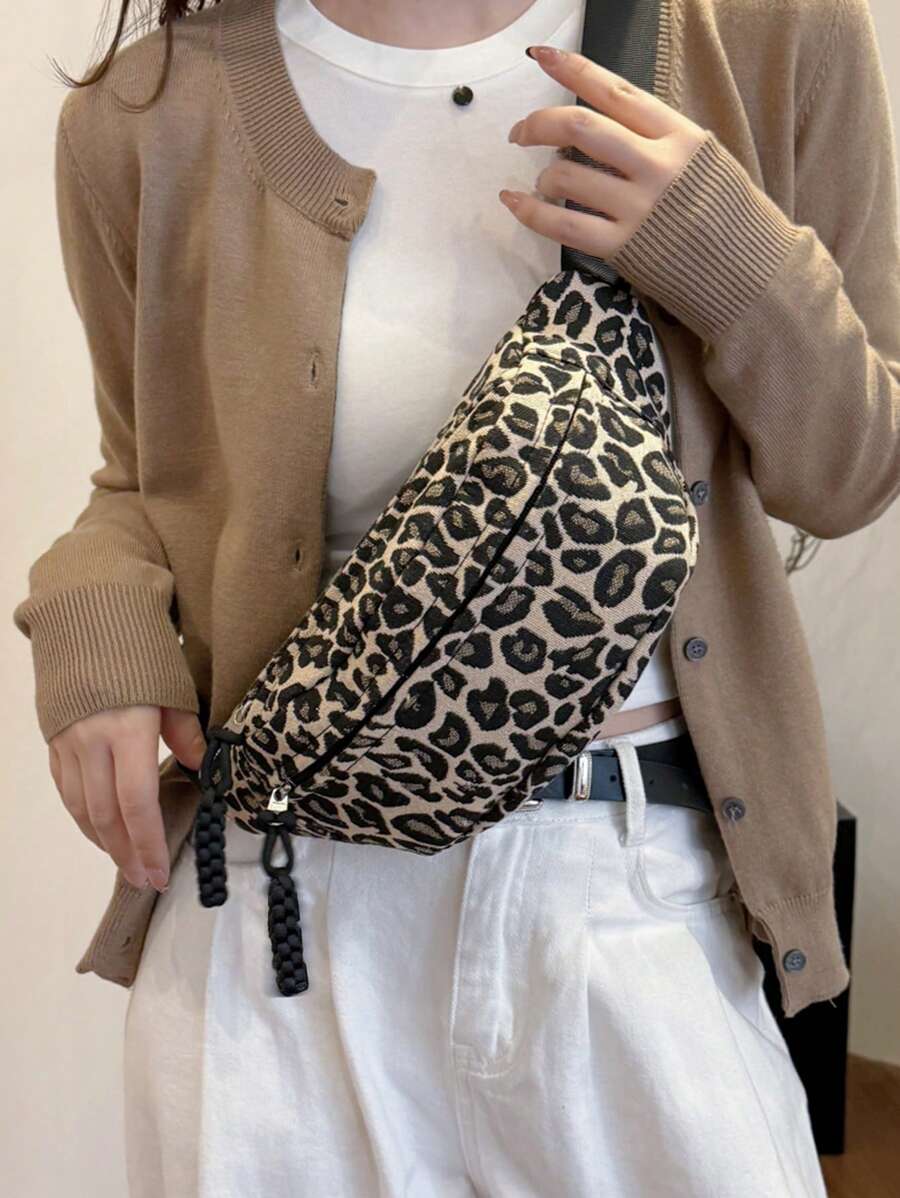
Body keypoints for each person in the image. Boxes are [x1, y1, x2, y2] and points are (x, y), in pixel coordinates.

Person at [13, 0, 899, 1194]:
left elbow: (851, 470)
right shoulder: (146, 113)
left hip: (628, 889)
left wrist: (720, 247)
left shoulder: (770, 34)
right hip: (281, 915)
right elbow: (144, 479)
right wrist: (94, 623)